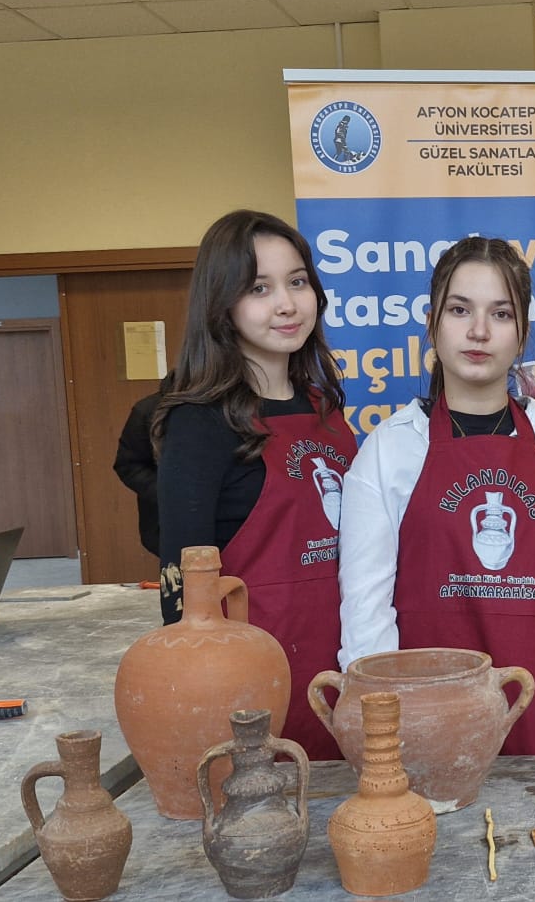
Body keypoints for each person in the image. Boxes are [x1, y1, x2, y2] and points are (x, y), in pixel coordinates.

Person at [337, 236, 535, 756]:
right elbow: (365, 614)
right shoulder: (389, 450)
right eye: (461, 309)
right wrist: (387, 731)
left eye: (501, 314)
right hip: (423, 724)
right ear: (433, 324)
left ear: (522, 333)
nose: (480, 331)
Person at [154, 209, 354, 760]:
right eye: (259, 288)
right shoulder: (199, 423)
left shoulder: (325, 410)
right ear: (223, 305)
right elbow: (183, 599)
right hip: (252, 696)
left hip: (340, 672)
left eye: (297, 282)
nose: (287, 304)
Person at [113, 375, 171, 558]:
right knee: (177, 578)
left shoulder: (226, 407)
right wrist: (166, 492)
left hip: (226, 516)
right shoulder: (147, 409)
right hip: (164, 518)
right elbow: (128, 465)